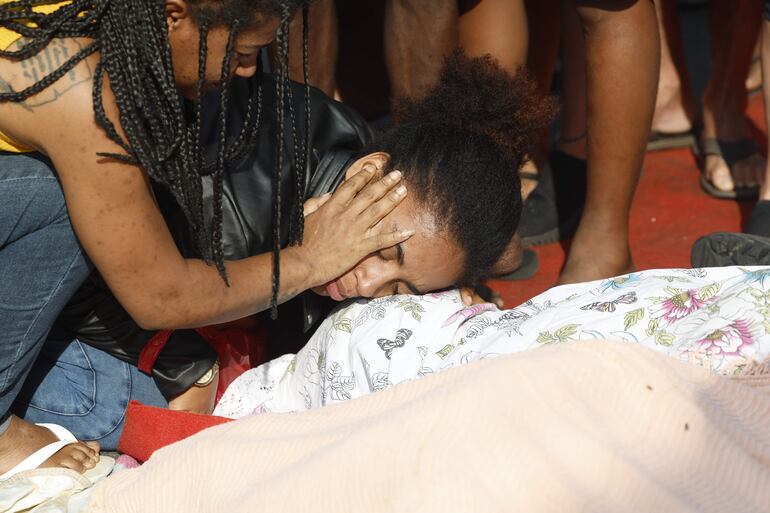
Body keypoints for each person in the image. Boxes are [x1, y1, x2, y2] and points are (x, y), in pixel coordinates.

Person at [12, 50, 554, 443]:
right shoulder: (236, 193)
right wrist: (188, 362)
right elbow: (74, 273)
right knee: (130, 402)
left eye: (401, 289)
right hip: (51, 290)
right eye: (384, 253)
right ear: (368, 173)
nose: (367, 287)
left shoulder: (379, 189)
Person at [0, 0, 413, 479]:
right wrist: (310, 259)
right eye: (243, 51)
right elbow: (160, 296)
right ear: (173, 14)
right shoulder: (76, 91)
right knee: (56, 197)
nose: (249, 69)